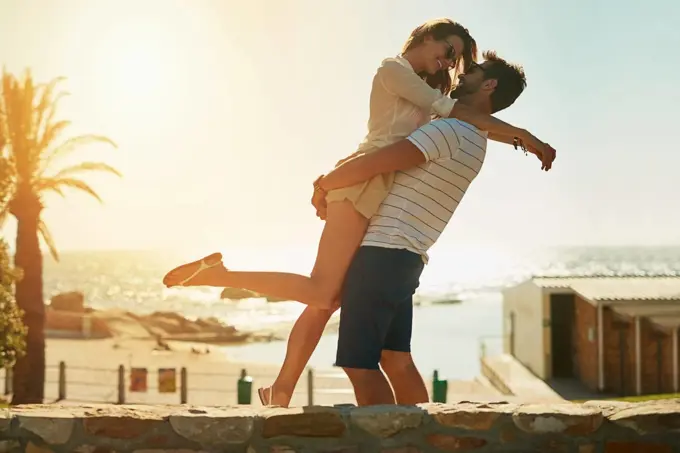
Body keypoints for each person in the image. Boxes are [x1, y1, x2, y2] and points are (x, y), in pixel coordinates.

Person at [162, 19, 553, 407]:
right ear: (427, 36)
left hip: (375, 200)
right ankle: (222, 280)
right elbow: (459, 119)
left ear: (488, 86)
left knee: (326, 301)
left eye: (460, 62)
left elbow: (469, 120)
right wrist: (328, 183)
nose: (452, 66)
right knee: (325, 295)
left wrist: (524, 138)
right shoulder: (398, 74)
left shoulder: (449, 124)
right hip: (364, 185)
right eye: (449, 53)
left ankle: (278, 388)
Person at [312, 51, 553, 405]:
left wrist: (324, 185)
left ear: (488, 85)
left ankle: (388, 444)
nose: (461, 73)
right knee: (395, 360)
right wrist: (521, 135)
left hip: (381, 254)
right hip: (405, 259)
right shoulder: (475, 138)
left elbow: (375, 164)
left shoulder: (450, 130)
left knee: (359, 364)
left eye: (472, 70)